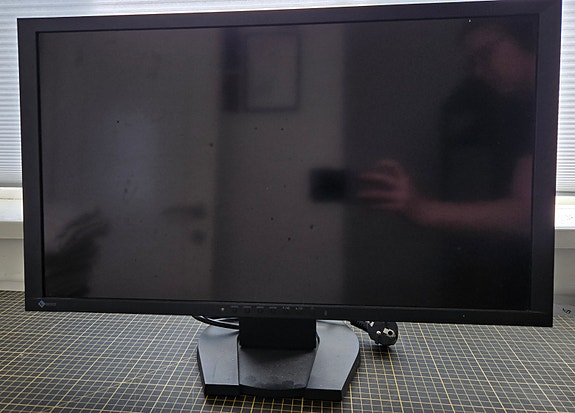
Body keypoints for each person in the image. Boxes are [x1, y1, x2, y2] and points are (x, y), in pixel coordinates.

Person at [359, 17, 537, 236]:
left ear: (524, 36)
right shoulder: (516, 105)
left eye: (485, 53)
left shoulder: (551, 100)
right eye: (473, 61)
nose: (478, 71)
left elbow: (527, 211)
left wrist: (422, 210)